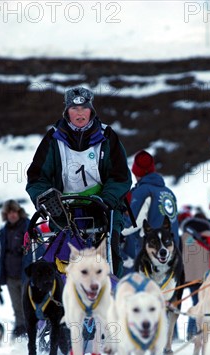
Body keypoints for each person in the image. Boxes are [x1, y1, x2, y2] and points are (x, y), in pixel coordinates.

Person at [26, 86, 132, 278]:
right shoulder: (53, 139)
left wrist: (107, 199)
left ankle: (111, 294)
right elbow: (36, 178)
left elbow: (121, 176)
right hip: (63, 211)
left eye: (84, 108)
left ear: (91, 110)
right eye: (74, 109)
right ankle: (61, 299)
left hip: (103, 209)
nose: (80, 113)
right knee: (60, 260)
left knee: (111, 254)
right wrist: (45, 198)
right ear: (67, 112)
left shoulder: (107, 137)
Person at [121, 150, 179, 259]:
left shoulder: (143, 191)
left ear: (136, 172)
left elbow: (133, 223)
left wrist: (115, 230)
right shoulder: (169, 192)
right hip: (173, 251)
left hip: (154, 252)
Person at [0, 200, 33, 338]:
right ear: (6, 215)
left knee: (28, 305)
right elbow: (0, 252)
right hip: (10, 276)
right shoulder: (4, 230)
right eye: (9, 212)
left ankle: (31, 331)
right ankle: (20, 331)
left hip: (26, 275)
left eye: (14, 212)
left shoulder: (28, 226)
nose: (12, 215)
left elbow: (37, 249)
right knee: (17, 307)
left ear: (19, 212)